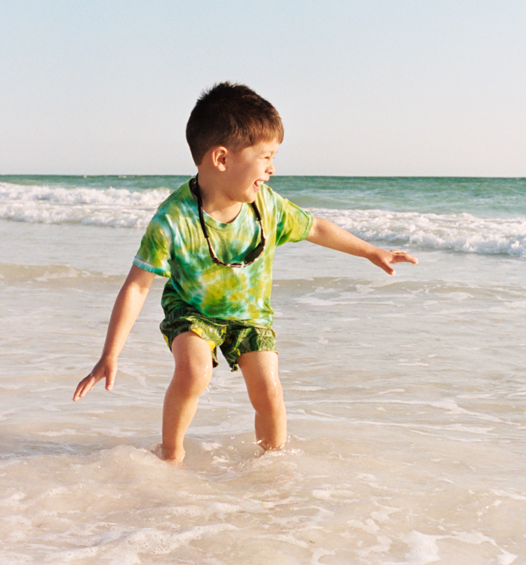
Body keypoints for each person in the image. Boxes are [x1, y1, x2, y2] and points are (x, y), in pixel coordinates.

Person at [72, 82, 417, 463]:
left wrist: (371, 251)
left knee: (269, 390)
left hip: (250, 314)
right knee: (194, 371)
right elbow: (137, 287)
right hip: (192, 310)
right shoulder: (173, 220)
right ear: (222, 159)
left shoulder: (266, 206)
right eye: (265, 156)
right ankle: (171, 453)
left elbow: (316, 228)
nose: (272, 168)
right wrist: (110, 354)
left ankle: (274, 463)